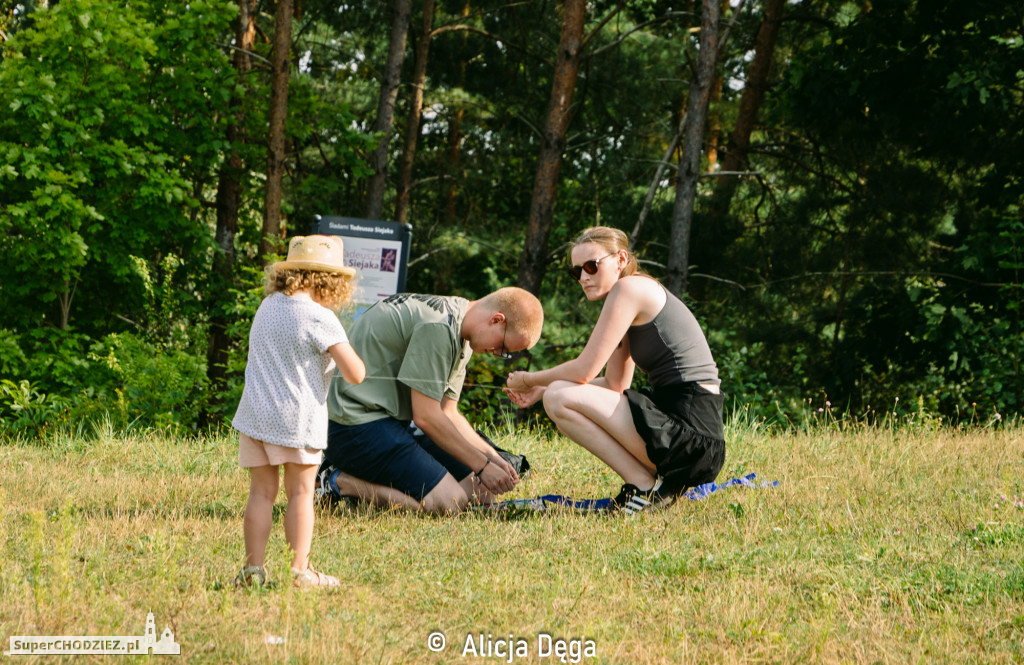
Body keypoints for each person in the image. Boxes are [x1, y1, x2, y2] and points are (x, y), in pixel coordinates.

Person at [505, 226, 725, 515]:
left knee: (558, 397)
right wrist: (542, 390)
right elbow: (614, 384)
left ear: (621, 259)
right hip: (694, 446)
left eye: (591, 266)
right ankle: (650, 486)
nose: (583, 277)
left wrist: (528, 379)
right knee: (557, 398)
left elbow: (585, 369)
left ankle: (643, 486)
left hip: (691, 435)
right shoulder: (629, 296)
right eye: (576, 272)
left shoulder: (629, 288)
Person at [320, 287, 544, 514]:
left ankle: (372, 481)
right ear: (497, 320)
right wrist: (481, 466)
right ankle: (337, 480)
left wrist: (492, 458)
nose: (497, 353)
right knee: (450, 503)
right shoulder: (438, 327)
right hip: (351, 427)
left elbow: (449, 413)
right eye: (503, 347)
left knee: (483, 494)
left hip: (392, 421)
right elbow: (426, 417)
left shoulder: (461, 331)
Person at [231, 235, 366, 589]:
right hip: (296, 420)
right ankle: (301, 570)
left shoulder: (268, 305)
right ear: (330, 282)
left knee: (261, 493)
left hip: (255, 416)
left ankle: (252, 570)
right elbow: (355, 373)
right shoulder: (320, 317)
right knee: (301, 494)